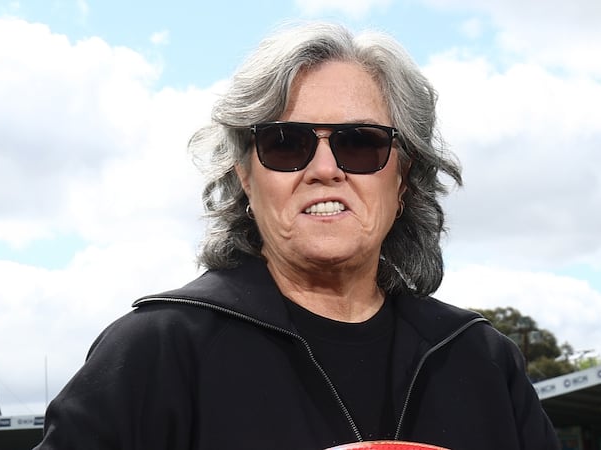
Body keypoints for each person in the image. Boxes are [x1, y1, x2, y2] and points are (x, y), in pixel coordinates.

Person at [34, 22, 560, 450]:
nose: (326, 169)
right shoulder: (153, 353)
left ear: (402, 179)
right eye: (286, 144)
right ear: (245, 176)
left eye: (361, 143)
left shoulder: (482, 362)